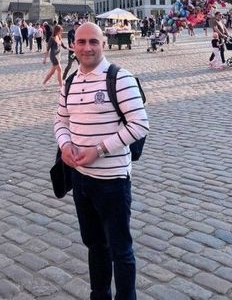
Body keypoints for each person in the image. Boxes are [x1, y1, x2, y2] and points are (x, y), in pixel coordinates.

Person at [54, 22, 149, 300]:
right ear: (73, 46)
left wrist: (99, 150)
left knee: (120, 250)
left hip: (112, 181)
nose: (87, 48)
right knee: (95, 245)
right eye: (81, 42)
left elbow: (140, 124)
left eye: (93, 42)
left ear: (103, 44)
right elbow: (60, 120)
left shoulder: (120, 78)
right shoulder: (70, 81)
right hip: (81, 179)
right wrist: (65, 145)